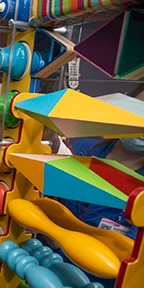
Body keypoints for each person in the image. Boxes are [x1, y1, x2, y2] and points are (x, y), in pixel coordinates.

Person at [56, 86, 144, 287]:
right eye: (138, 110)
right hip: (43, 265)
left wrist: (63, 234)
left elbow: (128, 255)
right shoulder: (82, 148)